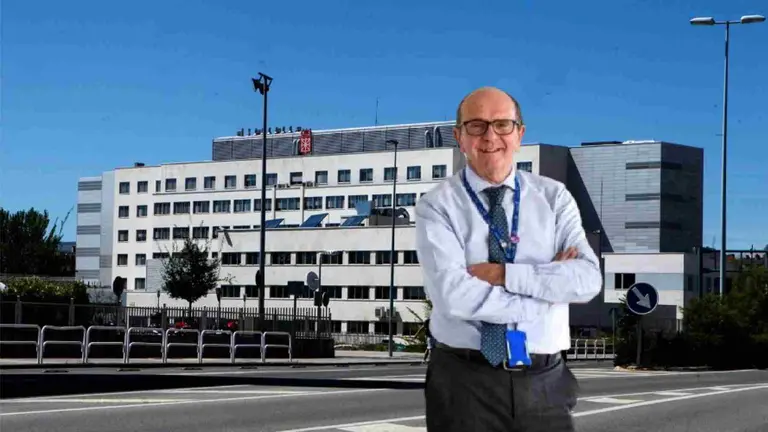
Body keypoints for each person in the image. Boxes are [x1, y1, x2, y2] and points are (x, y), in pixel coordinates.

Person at [416, 87, 602, 432]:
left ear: (520, 134)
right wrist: (545, 296)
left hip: (545, 382)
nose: (490, 137)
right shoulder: (437, 205)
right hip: (464, 382)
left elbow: (587, 279)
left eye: (502, 124)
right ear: (459, 137)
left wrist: (504, 274)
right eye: (476, 126)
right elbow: (453, 295)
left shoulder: (554, 198)